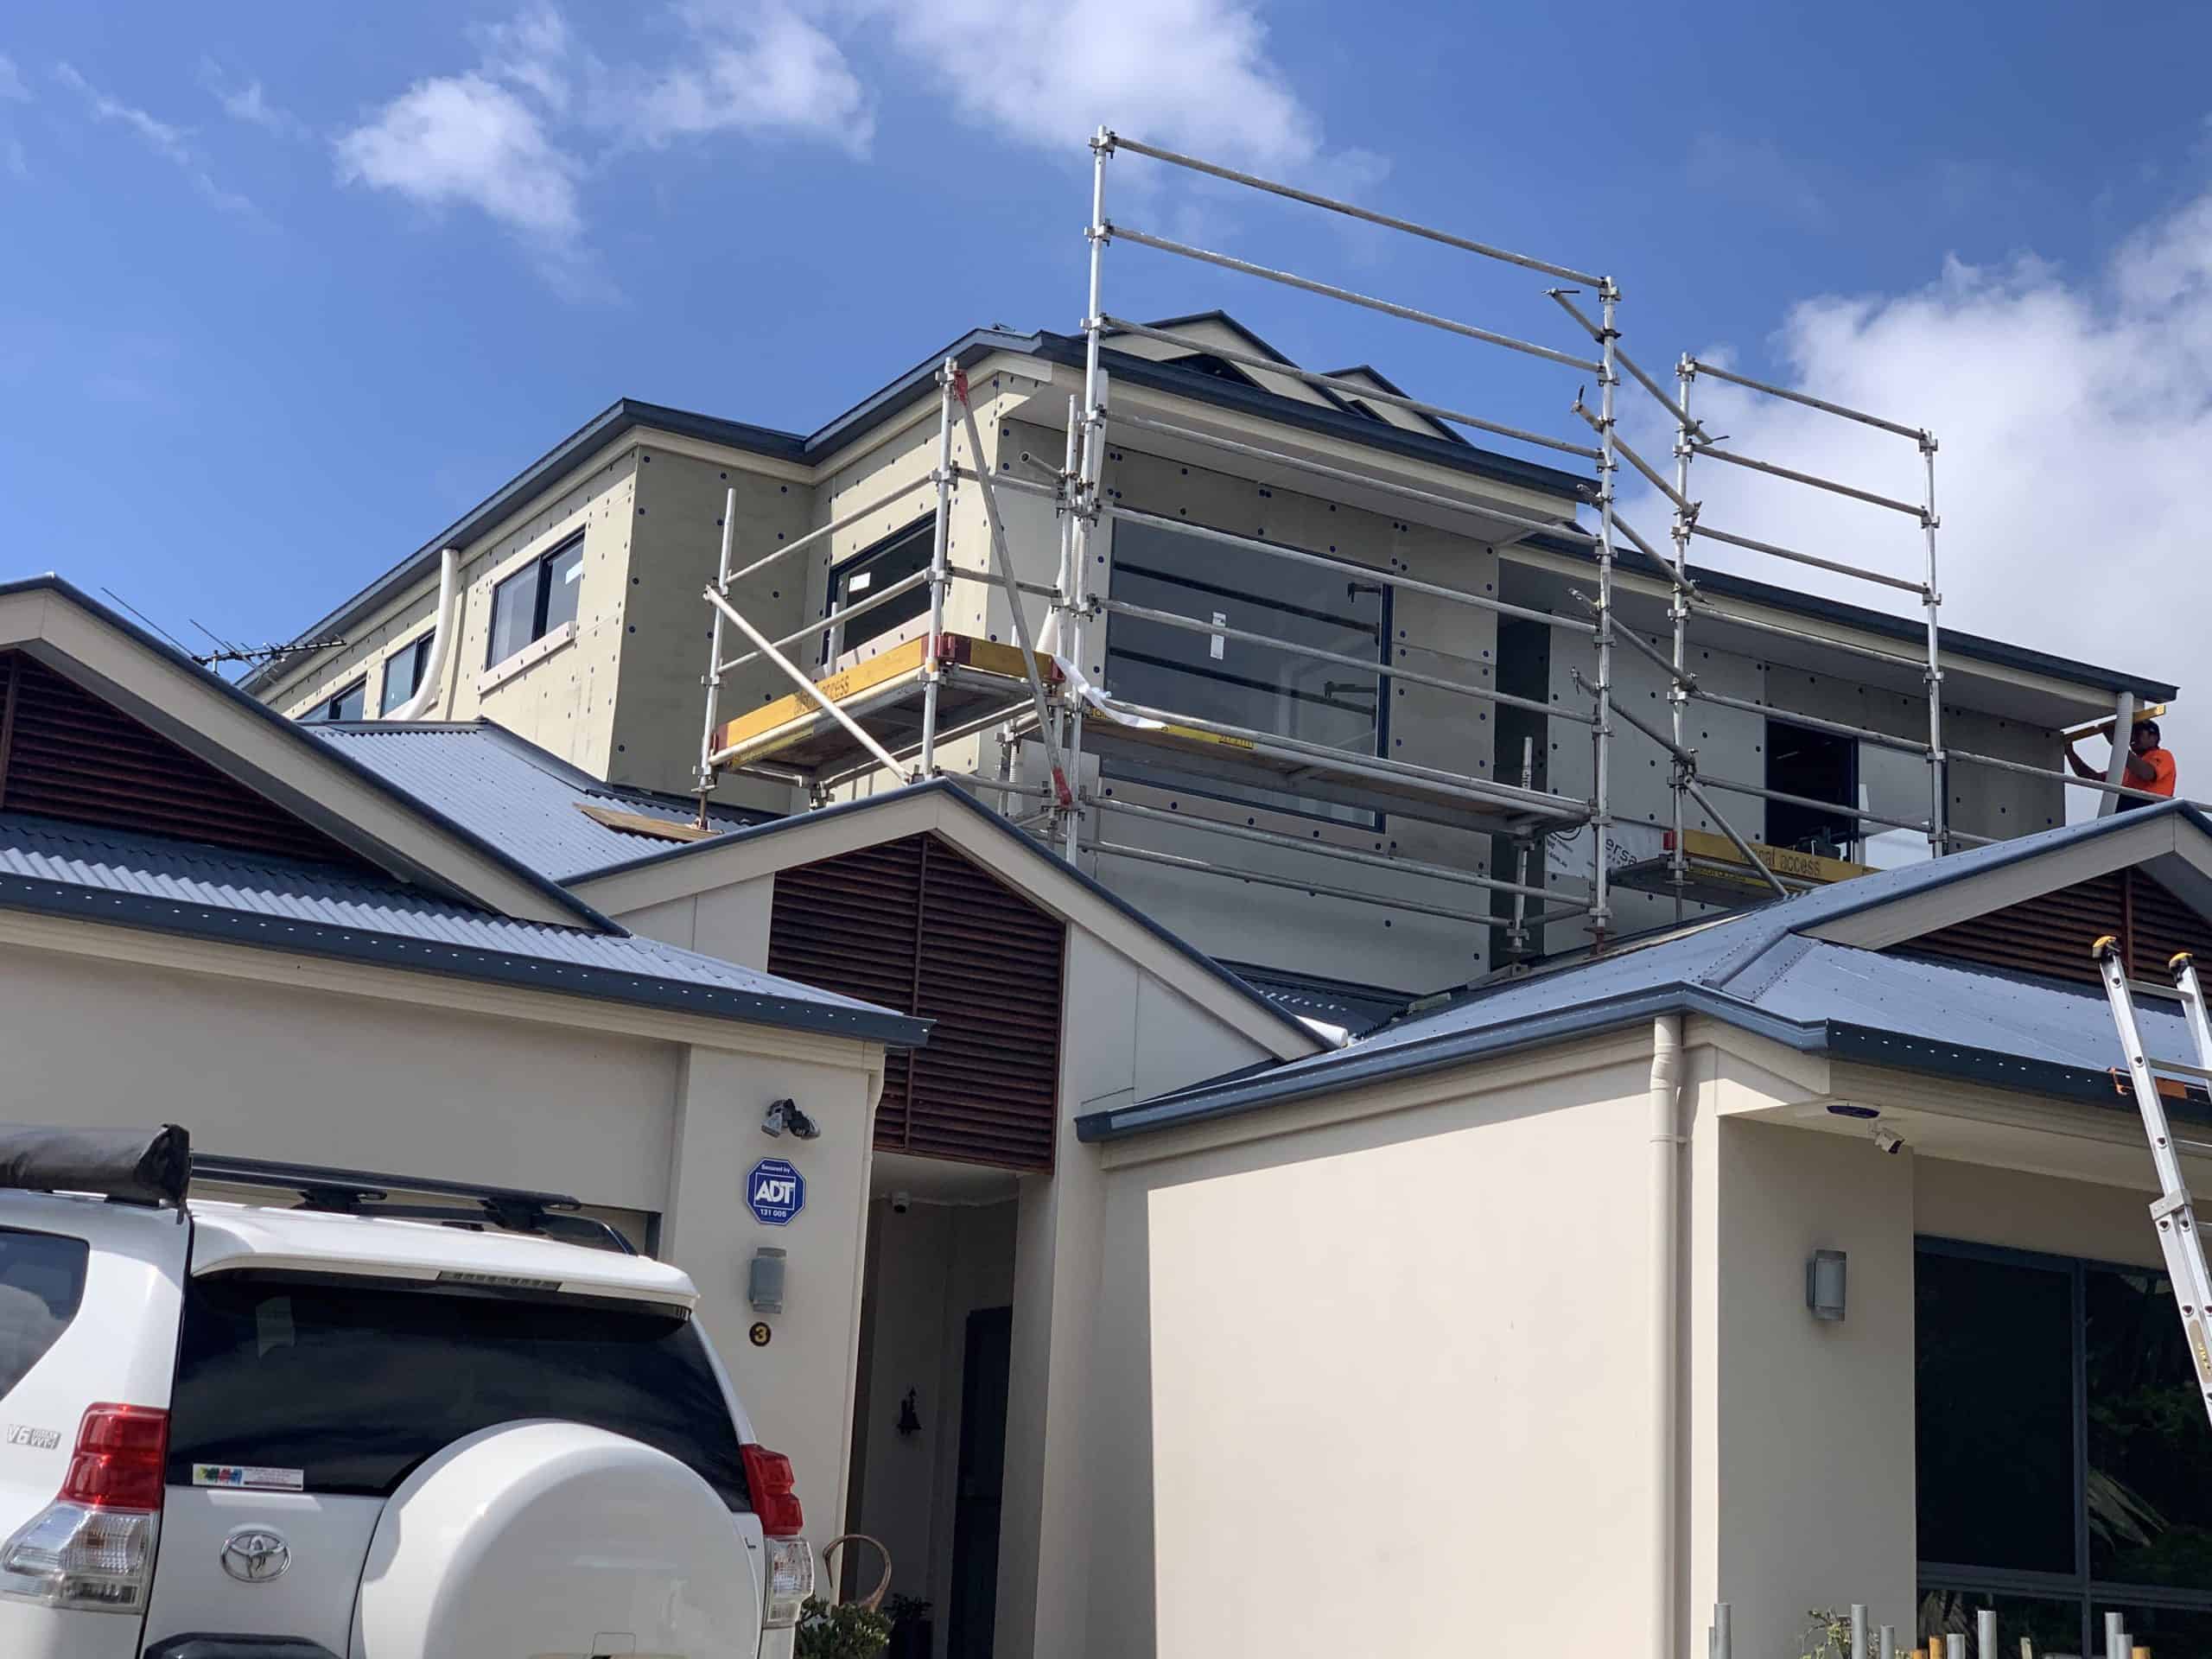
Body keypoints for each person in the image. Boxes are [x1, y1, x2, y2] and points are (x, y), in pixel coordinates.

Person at [2067, 717, 2176, 811]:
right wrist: (2070, 753)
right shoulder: (2128, 769)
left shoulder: (2162, 755)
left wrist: (2118, 743)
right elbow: (2092, 777)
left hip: (2153, 813)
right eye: (2131, 733)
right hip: (2130, 814)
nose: (2133, 737)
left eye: (2138, 732)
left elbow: (2147, 773)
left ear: (2153, 737)